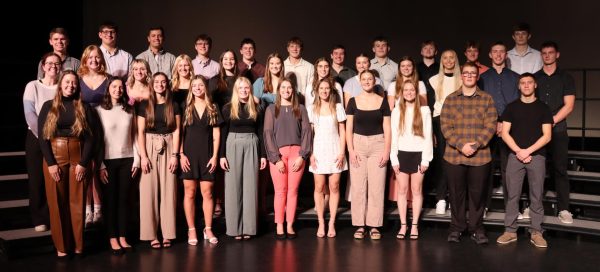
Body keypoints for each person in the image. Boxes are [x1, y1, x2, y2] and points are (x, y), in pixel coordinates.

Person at [38, 70, 94, 258]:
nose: (71, 86)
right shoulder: (48, 106)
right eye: (67, 82)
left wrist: (84, 163)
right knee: (57, 203)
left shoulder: (84, 107)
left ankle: (78, 244)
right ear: (60, 84)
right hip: (56, 156)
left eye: (74, 83)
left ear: (78, 86)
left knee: (77, 203)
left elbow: (90, 139)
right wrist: (51, 163)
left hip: (78, 156)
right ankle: (62, 246)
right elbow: (43, 138)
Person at [442, 62, 497, 245]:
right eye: (466, 73)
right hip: (454, 155)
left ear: (477, 76)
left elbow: (491, 126)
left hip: (480, 156)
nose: (469, 76)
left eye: (473, 73)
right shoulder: (450, 99)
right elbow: (445, 127)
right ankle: (456, 228)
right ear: (461, 76)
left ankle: (476, 228)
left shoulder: (487, 99)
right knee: (456, 194)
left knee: (477, 194)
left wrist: (475, 145)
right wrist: (461, 145)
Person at [496, 73, 553, 248]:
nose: (526, 85)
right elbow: (504, 133)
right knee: (512, 195)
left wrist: (527, 150)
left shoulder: (543, 108)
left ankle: (536, 232)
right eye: (523, 83)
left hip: (537, 157)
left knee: (536, 196)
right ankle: (510, 231)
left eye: (529, 82)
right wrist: (518, 151)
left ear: (535, 85)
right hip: (515, 156)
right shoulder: (511, 107)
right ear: (519, 87)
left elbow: (547, 136)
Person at [264, 77, 312, 239]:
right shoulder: (271, 109)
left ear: (293, 90)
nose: (286, 90)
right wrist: (275, 158)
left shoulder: (301, 109)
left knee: (293, 191)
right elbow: (268, 134)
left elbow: (306, 133)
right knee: (280, 191)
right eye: (283, 87)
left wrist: (302, 156)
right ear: (279, 91)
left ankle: (290, 224)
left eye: (289, 88)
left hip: (296, 154)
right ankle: (279, 224)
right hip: (278, 155)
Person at [136, 72, 181, 249]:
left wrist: (175, 155)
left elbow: (177, 130)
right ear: (152, 84)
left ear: (167, 85)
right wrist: (143, 156)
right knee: (149, 192)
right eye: (157, 82)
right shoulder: (145, 105)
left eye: (163, 82)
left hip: (169, 144)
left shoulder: (174, 105)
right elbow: (139, 132)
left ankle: (168, 233)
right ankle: (151, 234)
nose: (160, 85)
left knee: (169, 191)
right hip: (149, 145)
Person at [220, 77, 267, 240]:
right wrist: (221, 156)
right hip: (232, 144)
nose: (244, 90)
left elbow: (261, 132)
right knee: (233, 187)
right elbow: (223, 133)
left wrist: (263, 155)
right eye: (241, 88)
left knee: (250, 187)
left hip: (252, 144)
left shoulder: (257, 108)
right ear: (236, 90)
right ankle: (234, 228)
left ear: (250, 89)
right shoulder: (227, 109)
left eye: (247, 88)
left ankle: (249, 227)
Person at [346, 70, 391, 240]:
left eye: (369, 79)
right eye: (363, 79)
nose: (366, 81)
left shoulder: (382, 101)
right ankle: (359, 225)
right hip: (357, 144)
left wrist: (386, 151)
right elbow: (349, 128)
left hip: (378, 144)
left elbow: (387, 127)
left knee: (376, 186)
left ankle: (374, 225)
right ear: (360, 82)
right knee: (358, 187)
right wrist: (350, 150)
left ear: (374, 81)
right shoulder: (352, 101)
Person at [96, 77, 139, 254]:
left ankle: (122, 236)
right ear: (109, 89)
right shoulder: (99, 111)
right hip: (107, 162)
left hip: (127, 159)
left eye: (121, 87)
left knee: (124, 201)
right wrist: (100, 165)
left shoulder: (130, 110)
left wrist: (137, 158)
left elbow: (136, 136)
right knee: (111, 201)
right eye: (114, 86)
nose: (118, 90)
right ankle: (112, 237)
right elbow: (97, 141)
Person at [534, 41, 575, 224]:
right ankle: (532, 206)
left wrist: (550, 122)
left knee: (560, 170)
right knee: (535, 171)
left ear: (557, 54)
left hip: (558, 129)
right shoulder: (535, 78)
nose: (547, 56)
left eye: (551, 53)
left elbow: (569, 106)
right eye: (544, 53)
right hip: (537, 132)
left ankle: (564, 209)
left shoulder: (566, 77)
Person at [478, 41, 520, 217]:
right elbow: (479, 104)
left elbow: (517, 104)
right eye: (494, 52)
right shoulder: (483, 78)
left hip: (509, 128)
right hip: (488, 127)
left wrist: (504, 123)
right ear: (490, 55)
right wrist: (494, 122)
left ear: (506, 55)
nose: (498, 55)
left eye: (501, 52)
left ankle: (511, 208)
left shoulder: (515, 77)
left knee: (508, 169)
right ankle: (484, 206)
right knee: (486, 167)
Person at [180, 75, 223, 245]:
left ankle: (208, 228)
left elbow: (216, 133)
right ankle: (191, 230)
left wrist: (214, 157)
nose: (198, 88)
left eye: (201, 85)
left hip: (207, 155)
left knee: (208, 193)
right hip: (189, 156)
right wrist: (181, 154)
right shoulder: (185, 106)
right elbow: (180, 133)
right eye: (194, 85)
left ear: (205, 87)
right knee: (189, 193)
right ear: (191, 88)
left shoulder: (213, 106)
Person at [390, 80, 433, 240]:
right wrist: (393, 158)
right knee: (401, 190)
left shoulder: (425, 111)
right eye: (406, 90)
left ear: (416, 92)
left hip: (418, 154)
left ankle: (414, 225)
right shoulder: (396, 111)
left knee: (416, 190)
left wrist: (426, 159)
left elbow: (428, 136)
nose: (409, 92)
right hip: (401, 154)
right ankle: (403, 225)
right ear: (401, 93)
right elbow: (394, 136)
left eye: (412, 90)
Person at [24, 52, 61, 232]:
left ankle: (54, 215)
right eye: (49, 63)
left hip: (59, 138)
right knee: (37, 179)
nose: (53, 66)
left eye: (57, 63)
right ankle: (39, 218)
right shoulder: (33, 86)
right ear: (43, 66)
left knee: (55, 179)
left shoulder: (63, 86)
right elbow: (30, 115)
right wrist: (45, 135)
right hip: (37, 137)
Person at [308, 78, 347, 238]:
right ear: (317, 91)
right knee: (319, 186)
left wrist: (342, 152)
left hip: (335, 149)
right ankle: (321, 222)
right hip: (318, 150)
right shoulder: (312, 108)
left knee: (335, 186)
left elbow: (343, 131)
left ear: (331, 91)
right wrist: (310, 153)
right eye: (321, 88)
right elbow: (309, 133)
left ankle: (331, 222)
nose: (324, 91)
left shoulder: (337, 107)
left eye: (327, 88)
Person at [78, 45, 110, 226]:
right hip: (84, 127)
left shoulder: (109, 79)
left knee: (99, 165)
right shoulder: (78, 79)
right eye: (90, 57)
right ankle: (87, 208)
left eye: (97, 57)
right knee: (87, 165)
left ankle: (99, 207)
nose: (94, 60)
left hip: (103, 126)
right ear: (85, 60)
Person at [429, 49, 462, 215]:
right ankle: (441, 198)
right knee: (442, 161)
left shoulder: (463, 79)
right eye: (445, 58)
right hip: (439, 121)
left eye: (452, 58)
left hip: (459, 123)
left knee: (456, 160)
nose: (449, 61)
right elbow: (429, 107)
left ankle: (456, 199)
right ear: (441, 61)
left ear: (455, 60)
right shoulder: (434, 80)